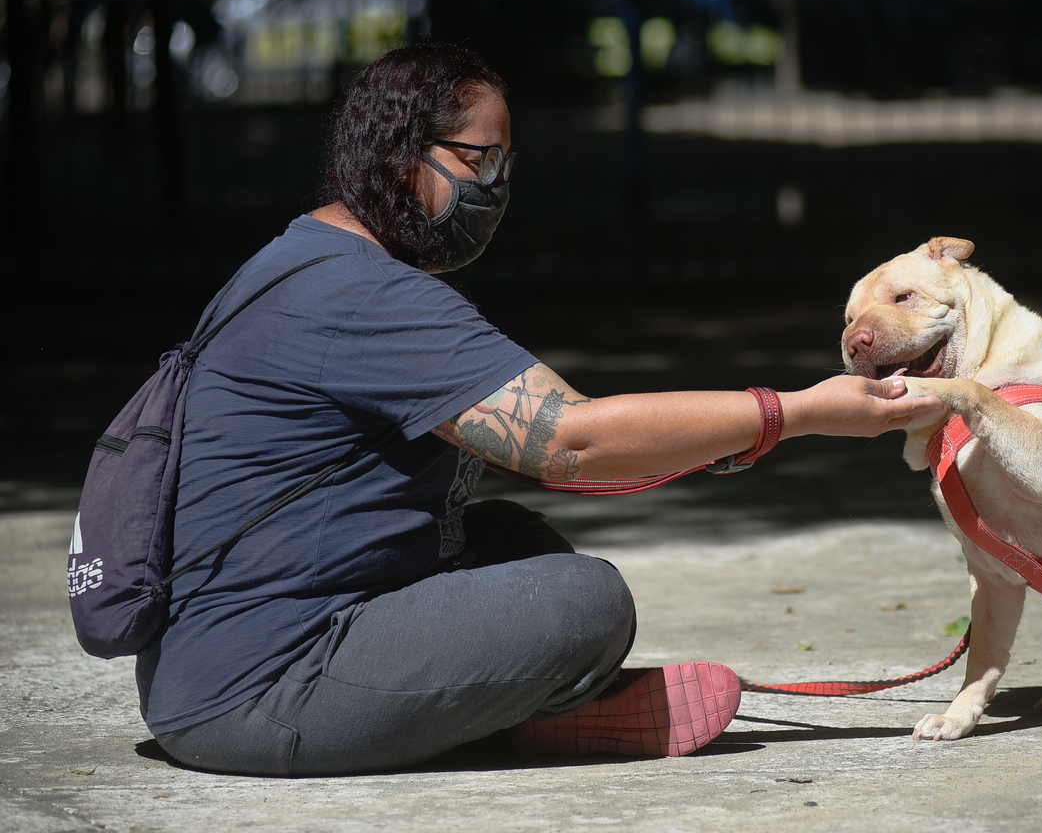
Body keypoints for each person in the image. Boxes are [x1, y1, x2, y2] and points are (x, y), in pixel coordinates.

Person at [137, 42, 942, 777]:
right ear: (397, 153)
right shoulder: (363, 297)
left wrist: (730, 436)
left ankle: (535, 704)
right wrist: (795, 412)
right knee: (584, 603)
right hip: (261, 687)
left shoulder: (299, 258)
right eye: (478, 159)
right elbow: (571, 442)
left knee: (510, 541)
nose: (495, 186)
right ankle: (533, 710)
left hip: (213, 661)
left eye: (505, 162)